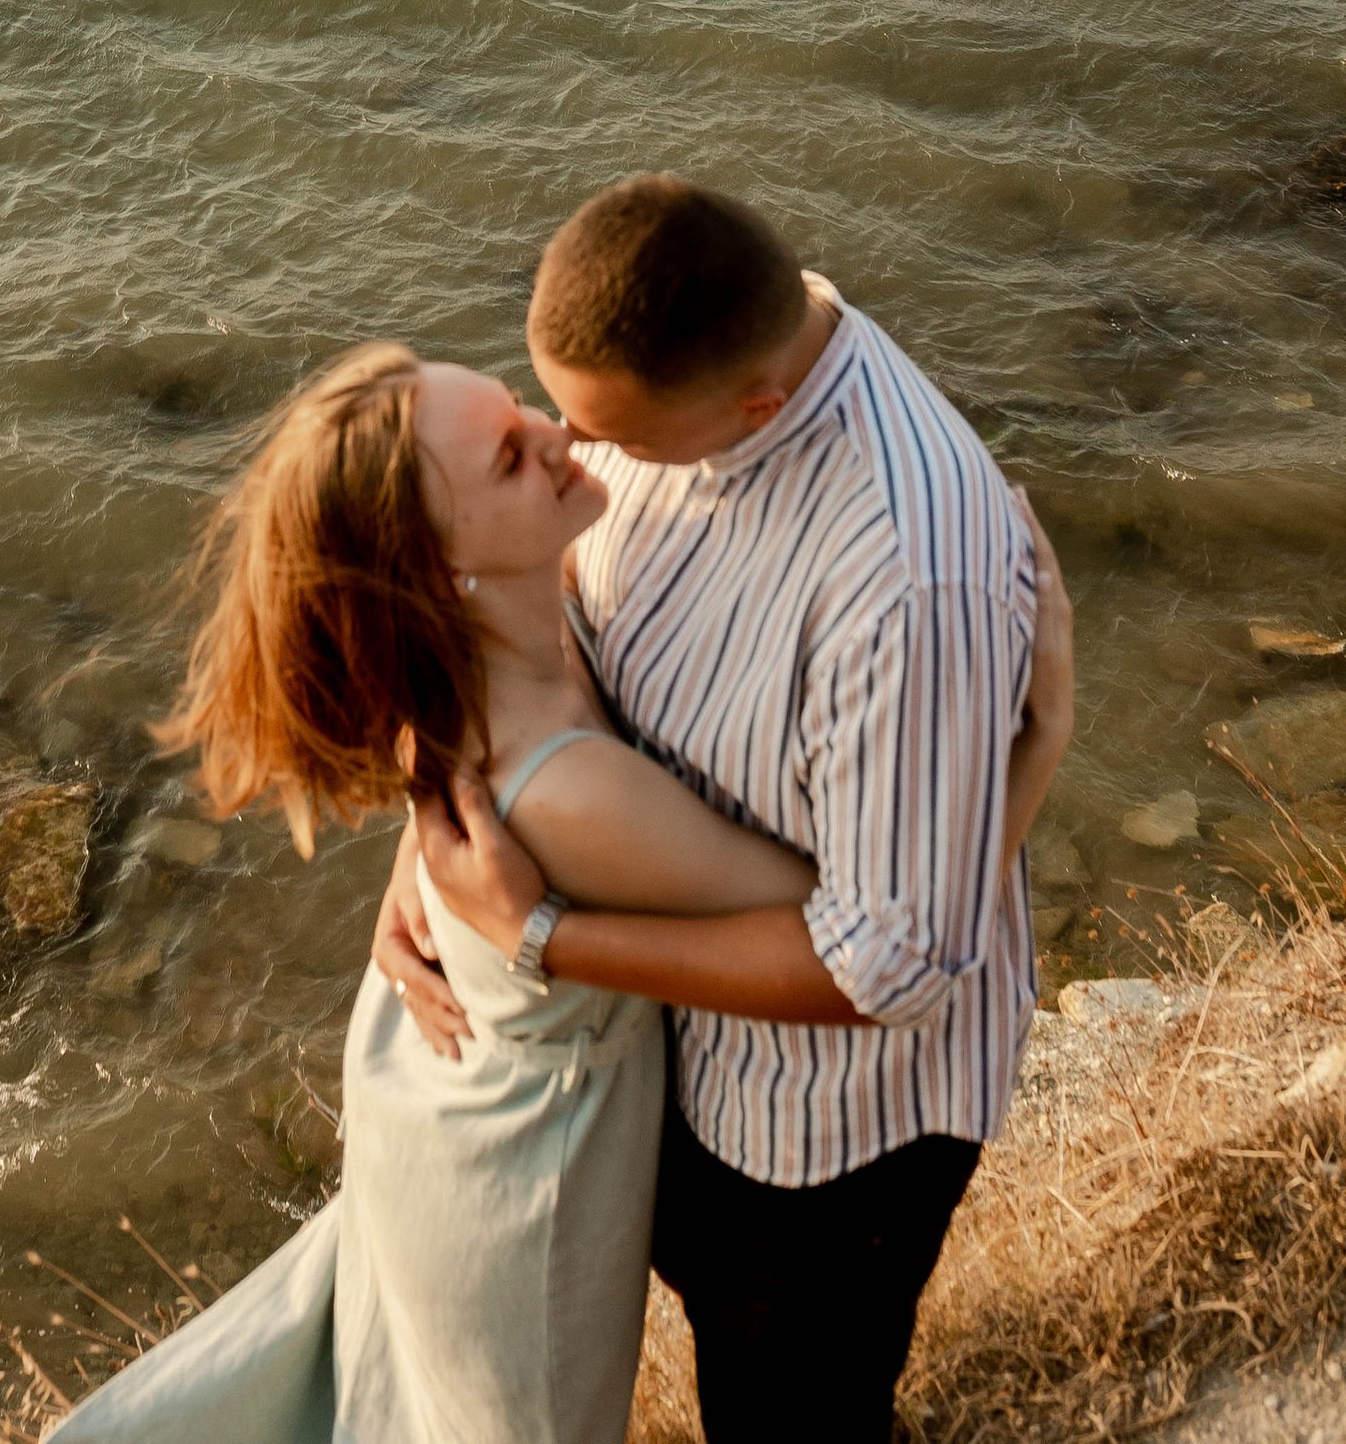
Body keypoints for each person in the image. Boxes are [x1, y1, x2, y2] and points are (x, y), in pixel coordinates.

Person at [55, 310, 1071, 1444]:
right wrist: (1034, 741)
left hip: (437, 1083)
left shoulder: (490, 648)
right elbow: (861, 932)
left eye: (514, 406)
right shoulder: (577, 794)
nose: (557, 434)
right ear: (441, 567)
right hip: (509, 1177)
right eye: (505, 455)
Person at [404, 179, 1046, 1444]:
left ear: (755, 406)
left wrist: (537, 936)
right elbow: (537, 625)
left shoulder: (904, 582)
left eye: (610, 438)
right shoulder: (660, 391)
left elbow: (891, 958)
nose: (572, 456)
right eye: (550, 418)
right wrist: (428, 859)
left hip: (820, 1142)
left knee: (792, 1417)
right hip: (670, 1063)